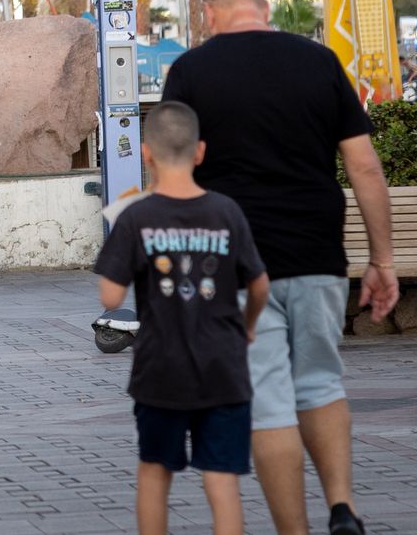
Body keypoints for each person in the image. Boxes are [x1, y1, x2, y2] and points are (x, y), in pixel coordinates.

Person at [159, 0, 395, 535]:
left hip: (233, 265)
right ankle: (344, 509)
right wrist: (382, 259)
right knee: (321, 382)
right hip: (317, 253)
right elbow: (363, 165)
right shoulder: (318, 62)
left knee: (266, 400)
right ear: (262, 7)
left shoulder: (191, 71)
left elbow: (168, 175)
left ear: (210, 10)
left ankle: (295, 531)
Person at [96, 102, 270, 535]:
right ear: (200, 152)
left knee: (154, 475)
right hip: (223, 368)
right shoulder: (227, 212)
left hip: (160, 371)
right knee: (222, 481)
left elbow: (110, 296)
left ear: (145, 153)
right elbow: (261, 284)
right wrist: (247, 327)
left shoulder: (136, 215)